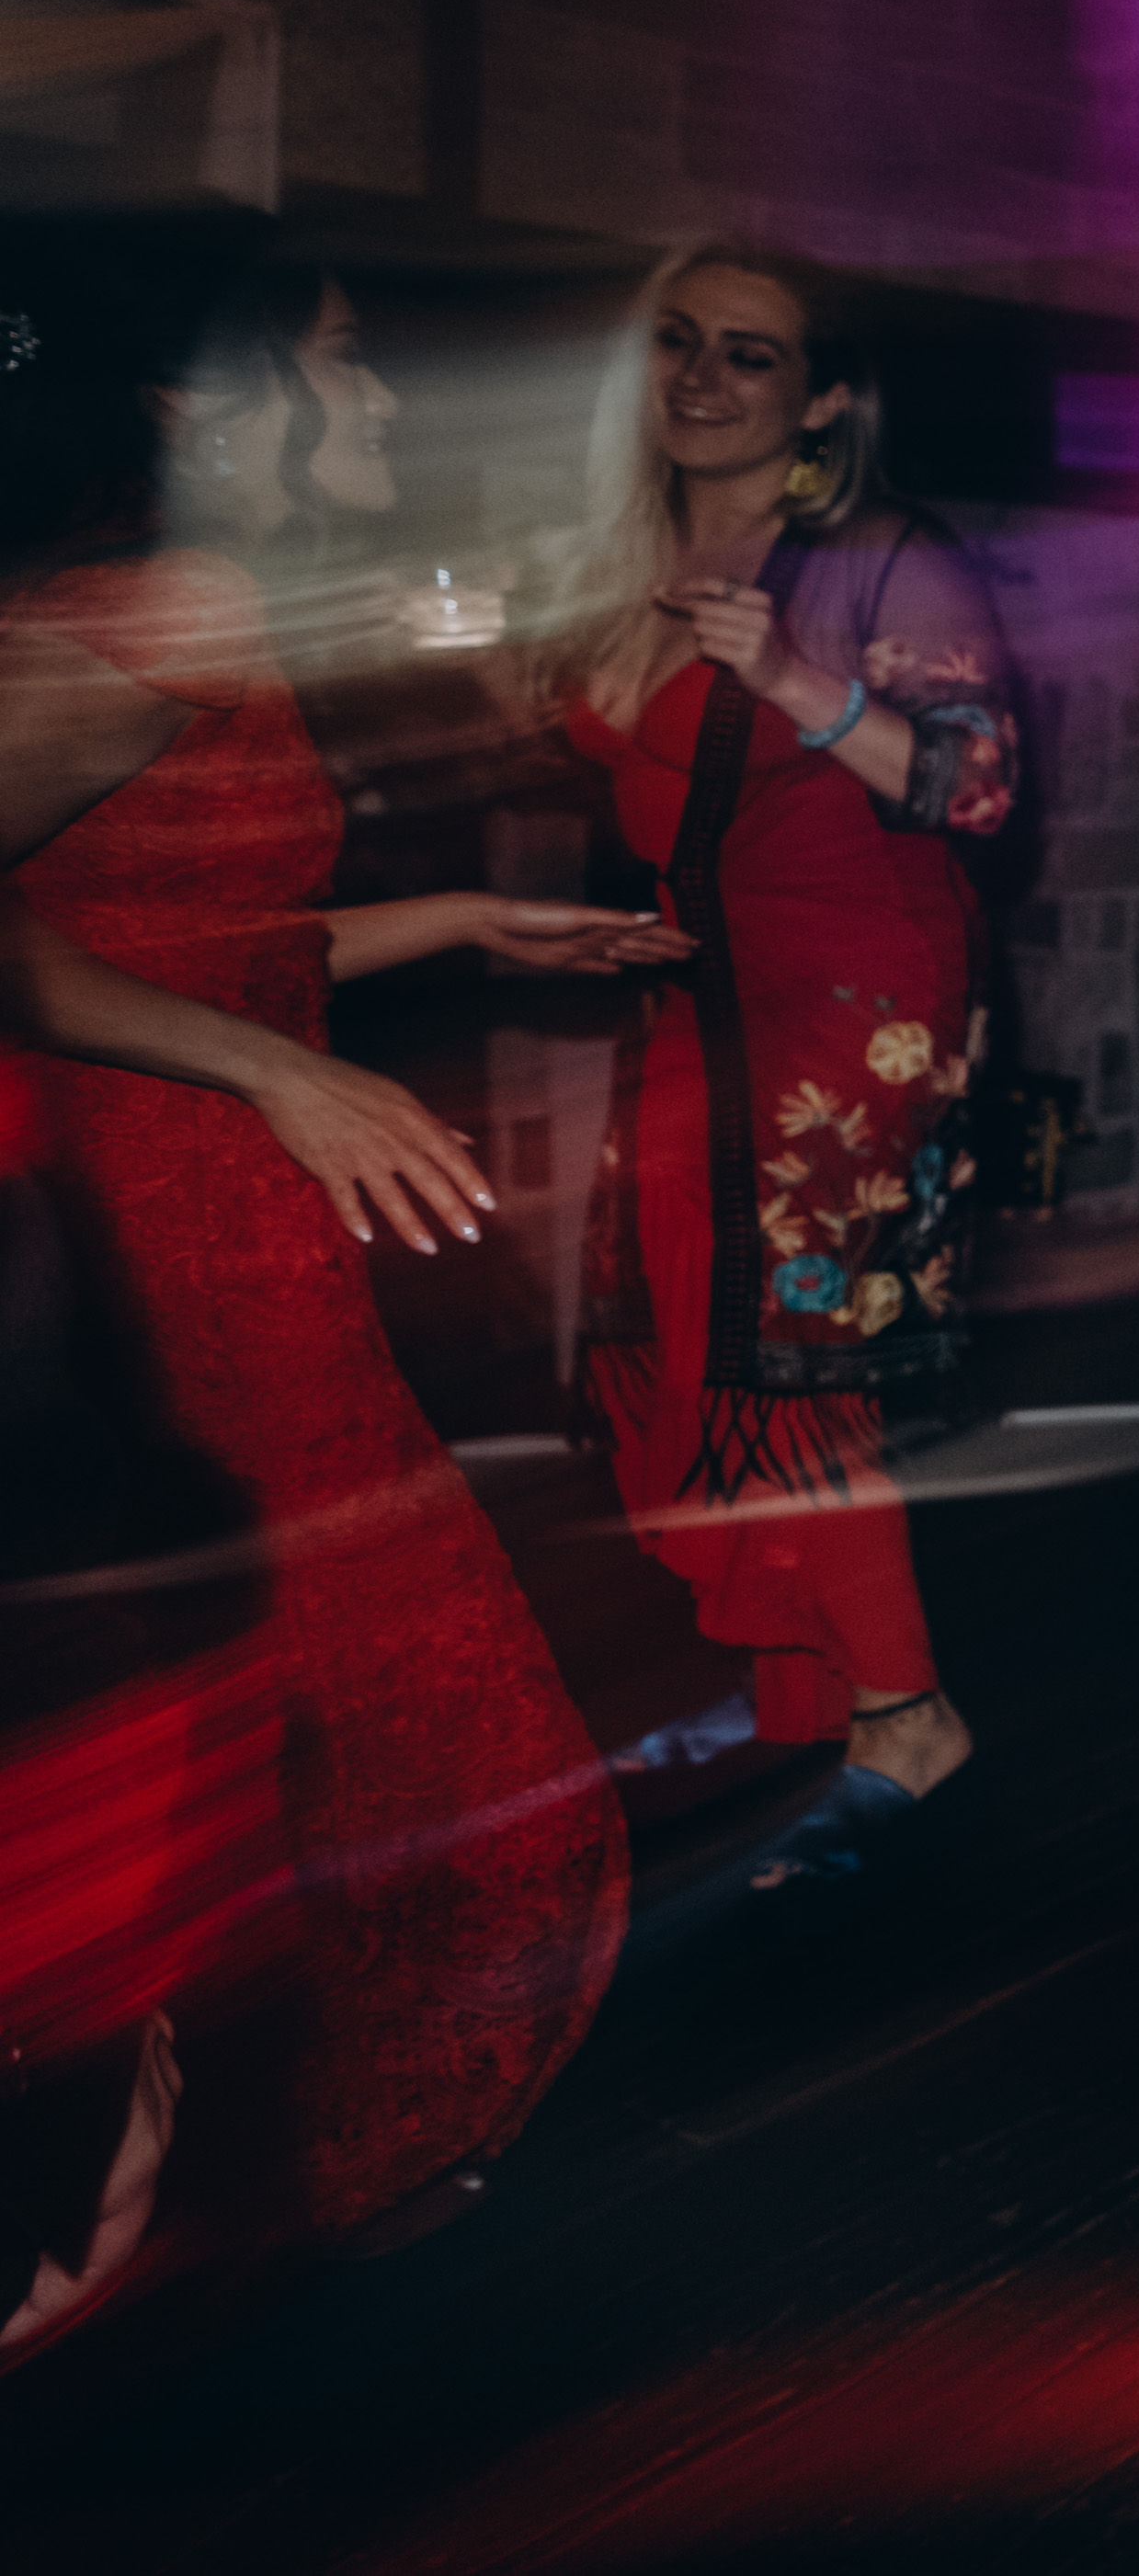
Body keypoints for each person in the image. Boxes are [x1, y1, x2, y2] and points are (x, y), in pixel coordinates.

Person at [0, 215, 646, 2239]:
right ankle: (277, 2164)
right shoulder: (179, 598)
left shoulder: (213, 605)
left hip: (232, 1205)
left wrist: (458, 922)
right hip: (164, 1211)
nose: (374, 393)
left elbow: (185, 931)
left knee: (340, 1684)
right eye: (342, 358)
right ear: (210, 406)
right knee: (409, 1699)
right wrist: (273, 1070)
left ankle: (256, 2151)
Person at [544, 242, 1017, 1890]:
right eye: (676, 340)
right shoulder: (629, 549)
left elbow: (976, 786)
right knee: (687, 1339)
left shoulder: (876, 555)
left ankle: (906, 1714)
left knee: (786, 1355)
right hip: (701, 989)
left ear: (822, 399)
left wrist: (793, 675)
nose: (701, 377)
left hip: (852, 998)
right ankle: (797, 1686)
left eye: (750, 354)